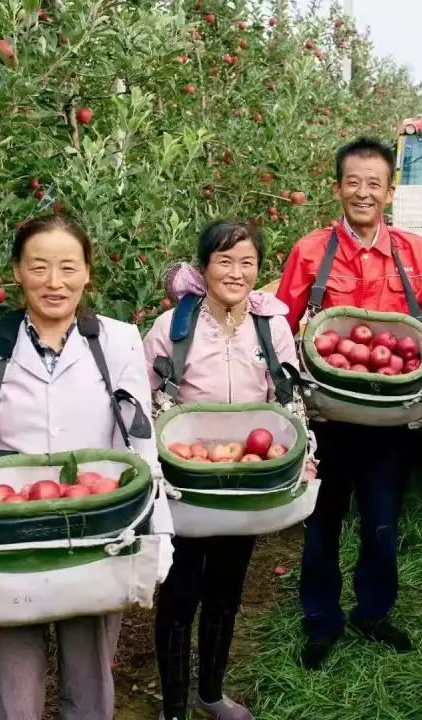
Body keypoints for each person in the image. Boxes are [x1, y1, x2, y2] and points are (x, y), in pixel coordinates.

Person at [0, 214, 172, 720]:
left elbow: (138, 442)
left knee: (90, 682)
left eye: (68, 266)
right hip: (6, 536)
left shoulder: (118, 341)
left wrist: (159, 534)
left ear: (88, 272)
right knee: (9, 690)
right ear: (17, 272)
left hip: (95, 527)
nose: (54, 281)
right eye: (38, 267)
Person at [275, 137, 422, 670]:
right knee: (323, 519)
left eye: (374, 183)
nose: (363, 192)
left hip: (390, 419)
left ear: (391, 192)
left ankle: (373, 612)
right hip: (329, 415)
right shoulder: (310, 251)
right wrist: (288, 395)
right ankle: (321, 619)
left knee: (381, 520)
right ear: (337, 188)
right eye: (353, 182)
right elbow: (284, 328)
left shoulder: (414, 253)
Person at [143, 221, 300, 720]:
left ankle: (210, 693)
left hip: (247, 480)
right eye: (225, 261)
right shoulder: (173, 327)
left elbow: (287, 396)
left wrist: (300, 452)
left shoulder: (272, 326)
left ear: (259, 269)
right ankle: (173, 706)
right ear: (205, 265)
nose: (236, 272)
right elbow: (143, 400)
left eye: (247, 262)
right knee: (179, 592)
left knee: (226, 590)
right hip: (187, 484)